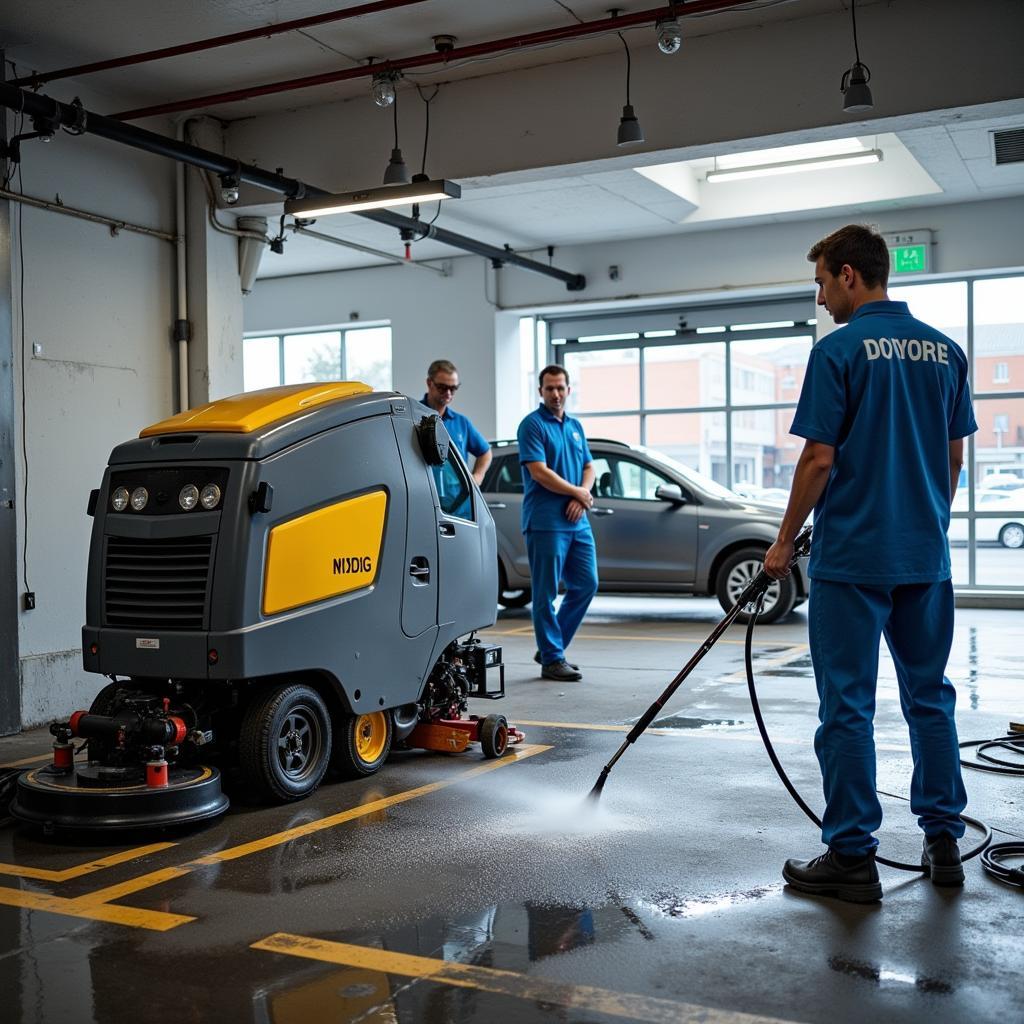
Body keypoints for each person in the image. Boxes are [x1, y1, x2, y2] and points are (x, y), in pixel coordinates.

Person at [764, 224, 976, 903]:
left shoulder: (840, 350)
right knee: (929, 697)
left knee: (848, 707)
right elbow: (953, 458)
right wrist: (926, 521)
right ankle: (944, 844)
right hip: (924, 555)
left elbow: (819, 457)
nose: (822, 298)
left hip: (852, 558)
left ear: (851, 275)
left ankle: (853, 856)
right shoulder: (946, 352)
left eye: (824, 282)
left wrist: (782, 539)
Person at [517, 365, 598, 682]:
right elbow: (539, 472)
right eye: (549, 388)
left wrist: (582, 495)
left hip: (578, 521)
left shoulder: (575, 426)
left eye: (560, 387)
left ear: (568, 389)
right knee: (545, 593)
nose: (555, 393)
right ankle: (552, 660)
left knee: (587, 583)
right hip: (546, 521)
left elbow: (589, 466)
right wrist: (576, 491)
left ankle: (552, 646)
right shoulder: (532, 425)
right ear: (540, 391)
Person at [421, 359, 492, 484]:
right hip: (423, 497)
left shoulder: (462, 423)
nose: (448, 393)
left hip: (458, 501)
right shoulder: (413, 417)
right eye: (442, 388)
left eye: (453, 388)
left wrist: (477, 479)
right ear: (429, 383)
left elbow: (485, 453)